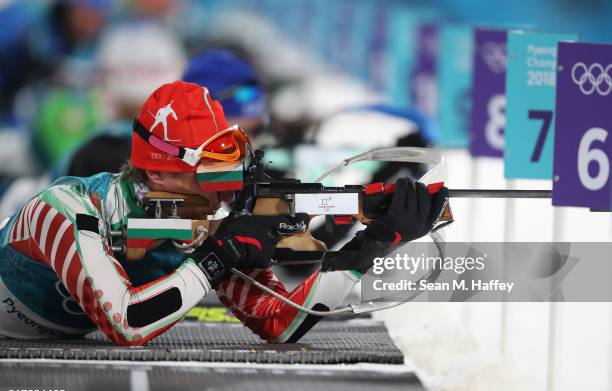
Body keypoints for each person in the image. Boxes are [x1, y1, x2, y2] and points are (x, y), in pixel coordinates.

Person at [0, 81, 448, 345]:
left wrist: (371, 246)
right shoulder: (67, 210)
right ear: (160, 175)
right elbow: (126, 323)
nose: (224, 195)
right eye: (212, 178)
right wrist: (218, 257)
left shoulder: (198, 228)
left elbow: (280, 321)